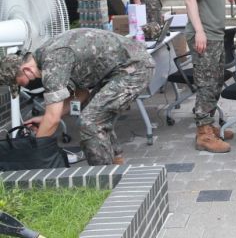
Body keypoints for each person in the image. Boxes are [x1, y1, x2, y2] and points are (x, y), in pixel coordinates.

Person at [0, 29, 154, 166]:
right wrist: (45, 118)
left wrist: (35, 155)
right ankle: (116, 161)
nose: (22, 86)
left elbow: (52, 120)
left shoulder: (52, 63)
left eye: (16, 83)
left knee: (89, 122)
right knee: (93, 113)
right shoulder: (46, 55)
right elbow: (81, 94)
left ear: (25, 69)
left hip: (134, 69)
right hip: (124, 67)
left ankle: (104, 180)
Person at [185, 0, 235, 153]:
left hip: (216, 34)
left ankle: (209, 124)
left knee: (215, 82)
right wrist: (199, 31)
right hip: (204, 34)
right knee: (206, 84)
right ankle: (203, 134)